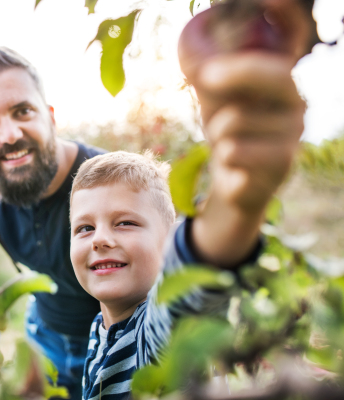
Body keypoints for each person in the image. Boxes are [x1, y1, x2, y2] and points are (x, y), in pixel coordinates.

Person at [68, 55, 304, 398]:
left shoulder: (158, 334)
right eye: (84, 228)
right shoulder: (100, 327)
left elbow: (191, 270)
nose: (100, 239)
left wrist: (240, 187)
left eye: (125, 223)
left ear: (169, 241)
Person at [0, 48, 106, 399]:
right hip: (44, 336)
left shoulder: (108, 183)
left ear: (50, 117)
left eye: (22, 111)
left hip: (120, 342)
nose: (10, 134)